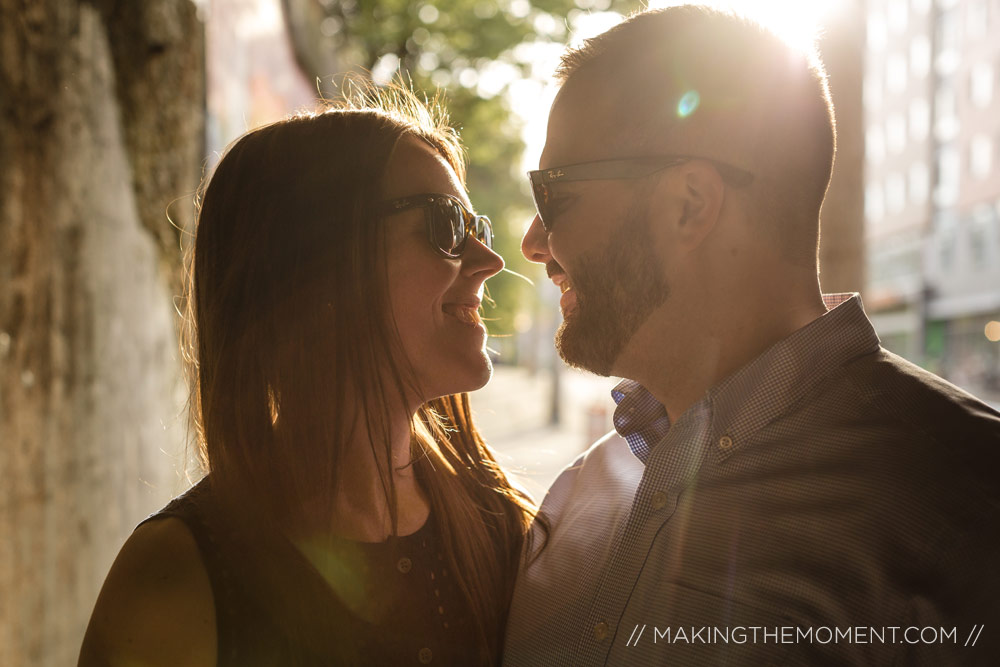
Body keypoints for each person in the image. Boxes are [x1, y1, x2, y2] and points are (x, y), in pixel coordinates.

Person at [503, 6, 1000, 666]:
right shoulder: (580, 493)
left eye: (554, 194)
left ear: (689, 204)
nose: (533, 244)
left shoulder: (968, 503)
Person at [79, 86, 534, 666]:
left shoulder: (496, 523)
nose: (489, 261)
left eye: (478, 227)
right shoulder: (177, 577)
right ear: (316, 266)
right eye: (445, 224)